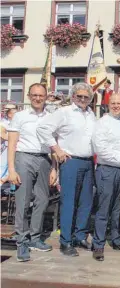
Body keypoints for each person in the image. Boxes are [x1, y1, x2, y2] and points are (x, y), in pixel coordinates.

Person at [37, 83, 96, 257]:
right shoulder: (64, 112)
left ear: (90, 99)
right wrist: (57, 150)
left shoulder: (91, 114)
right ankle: (66, 241)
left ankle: (79, 236)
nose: (83, 99)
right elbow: (43, 129)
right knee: (68, 202)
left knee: (86, 202)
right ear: (73, 96)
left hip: (88, 162)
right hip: (71, 162)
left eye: (86, 97)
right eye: (79, 96)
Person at [7, 83, 57, 262]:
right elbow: (11, 144)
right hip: (24, 158)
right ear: (29, 96)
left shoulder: (51, 117)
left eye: (41, 95)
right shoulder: (20, 116)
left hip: (44, 159)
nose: (37, 98)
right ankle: (22, 242)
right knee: (23, 201)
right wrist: (12, 169)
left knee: (42, 200)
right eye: (34, 95)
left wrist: (54, 168)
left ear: (46, 97)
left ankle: (35, 238)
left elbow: (53, 144)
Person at [92, 93, 120, 261]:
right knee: (104, 209)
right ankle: (98, 244)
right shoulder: (102, 123)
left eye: (119, 103)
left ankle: (117, 239)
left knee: (118, 209)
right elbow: (100, 148)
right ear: (108, 104)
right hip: (108, 169)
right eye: (113, 103)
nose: (116, 106)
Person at [1, 106, 18, 184]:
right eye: (15, 113)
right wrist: (14, 138)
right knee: (3, 168)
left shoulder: (19, 123)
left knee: (13, 169)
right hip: (7, 149)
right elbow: (2, 134)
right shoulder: (4, 123)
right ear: (9, 114)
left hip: (17, 149)